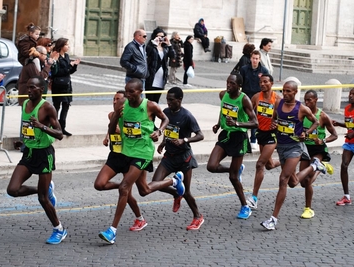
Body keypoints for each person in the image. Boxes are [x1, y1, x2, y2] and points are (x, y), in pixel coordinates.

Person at [98, 78, 185, 244]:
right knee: (141, 189)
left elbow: (165, 119)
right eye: (126, 91)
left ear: (140, 91)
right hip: (125, 151)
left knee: (124, 187)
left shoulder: (149, 105)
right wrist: (116, 115)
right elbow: (111, 130)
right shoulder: (122, 105)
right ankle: (173, 181)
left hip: (143, 152)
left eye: (131, 92)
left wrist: (159, 131)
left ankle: (112, 231)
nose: (128, 95)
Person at [6, 76, 67, 244]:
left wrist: (41, 126)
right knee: (12, 190)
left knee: (42, 199)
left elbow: (60, 134)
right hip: (29, 151)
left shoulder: (47, 108)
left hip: (44, 154)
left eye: (33, 88)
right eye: (27, 87)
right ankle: (45, 189)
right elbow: (27, 126)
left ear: (42, 90)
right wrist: (24, 140)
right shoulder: (25, 104)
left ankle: (59, 229)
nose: (29, 90)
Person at [260, 81, 327, 230]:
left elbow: (315, 122)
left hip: (295, 148)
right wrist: (273, 125)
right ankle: (314, 166)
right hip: (282, 147)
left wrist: (305, 133)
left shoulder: (301, 109)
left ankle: (273, 219)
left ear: (295, 92)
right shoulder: (279, 104)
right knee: (292, 182)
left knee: (283, 179)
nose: (285, 93)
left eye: (288, 91)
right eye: (284, 90)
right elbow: (274, 119)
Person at [150, 86, 205, 230]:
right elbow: (168, 132)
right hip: (169, 156)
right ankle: (176, 193)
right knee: (155, 183)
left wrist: (184, 140)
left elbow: (200, 135)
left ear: (179, 100)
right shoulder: (166, 113)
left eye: (171, 100)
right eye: (167, 99)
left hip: (184, 158)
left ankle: (198, 217)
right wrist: (163, 143)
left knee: (187, 192)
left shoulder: (187, 116)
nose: (168, 102)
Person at [207, 73, 258, 220]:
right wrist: (218, 123)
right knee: (211, 166)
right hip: (226, 134)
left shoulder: (244, 100)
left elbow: (255, 123)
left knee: (233, 177)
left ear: (239, 86)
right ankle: (236, 169)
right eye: (228, 82)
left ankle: (245, 206)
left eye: (232, 84)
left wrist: (237, 124)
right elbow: (223, 110)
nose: (229, 86)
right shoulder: (224, 94)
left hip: (239, 137)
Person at [94, 90, 148, 232]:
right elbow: (111, 127)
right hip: (115, 155)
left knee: (144, 190)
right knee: (99, 184)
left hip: (130, 155)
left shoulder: (130, 115)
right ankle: (124, 186)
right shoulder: (112, 115)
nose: (114, 102)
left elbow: (138, 132)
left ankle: (140, 219)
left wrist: (121, 132)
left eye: (118, 99)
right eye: (113, 99)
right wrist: (107, 137)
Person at [298, 90, 337, 218]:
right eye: (305, 100)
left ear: (316, 100)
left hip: (318, 149)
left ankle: (308, 209)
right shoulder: (303, 114)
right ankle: (322, 167)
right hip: (305, 148)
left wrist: (323, 140)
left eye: (309, 100)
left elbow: (335, 135)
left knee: (308, 179)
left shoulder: (323, 116)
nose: (307, 102)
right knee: (302, 181)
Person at [246, 74, 281, 209]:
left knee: (260, 164)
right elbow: (248, 111)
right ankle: (284, 161)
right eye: (261, 82)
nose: (262, 84)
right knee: (269, 165)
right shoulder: (256, 97)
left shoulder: (277, 99)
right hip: (261, 133)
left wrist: (277, 123)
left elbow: (285, 117)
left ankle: (254, 198)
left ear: (271, 83)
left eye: (265, 82)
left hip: (273, 135)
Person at [240, 50, 269, 149]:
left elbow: (267, 84)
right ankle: (244, 139)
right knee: (244, 117)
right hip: (246, 96)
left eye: (257, 59)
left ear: (259, 59)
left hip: (258, 97)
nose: (255, 61)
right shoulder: (244, 69)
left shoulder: (264, 71)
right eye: (253, 58)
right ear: (250, 59)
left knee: (255, 118)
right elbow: (241, 82)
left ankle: (253, 139)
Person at [51, 38, 80, 137]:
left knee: (66, 105)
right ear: (62, 46)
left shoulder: (66, 56)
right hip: (58, 85)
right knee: (57, 106)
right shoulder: (56, 56)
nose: (68, 47)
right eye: (67, 45)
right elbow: (57, 72)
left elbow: (69, 71)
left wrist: (74, 66)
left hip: (67, 84)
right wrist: (69, 66)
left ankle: (62, 127)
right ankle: (55, 126)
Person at [332, 88, 354, 206]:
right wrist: (338, 123)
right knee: (344, 165)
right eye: (350, 94)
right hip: (349, 143)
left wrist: (353, 133)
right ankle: (346, 196)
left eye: (353, 94)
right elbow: (349, 124)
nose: (351, 96)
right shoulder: (347, 109)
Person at [145, 27, 175, 104]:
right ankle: (148, 116)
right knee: (150, 101)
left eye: (162, 36)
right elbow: (147, 54)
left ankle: (154, 116)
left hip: (161, 77)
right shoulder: (150, 46)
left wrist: (169, 44)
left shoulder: (165, 47)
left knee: (156, 101)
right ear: (154, 36)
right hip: (152, 76)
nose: (160, 38)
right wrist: (154, 44)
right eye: (158, 36)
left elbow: (173, 56)